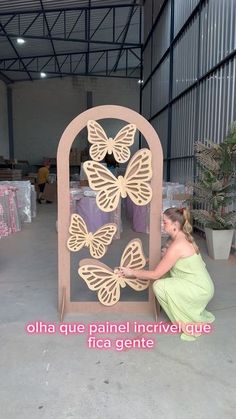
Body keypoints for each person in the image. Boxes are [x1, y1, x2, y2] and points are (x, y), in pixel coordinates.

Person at [119, 207, 215, 341]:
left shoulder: (177, 245)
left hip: (199, 290)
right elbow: (165, 259)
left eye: (165, 222)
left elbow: (155, 275)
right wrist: (141, 262)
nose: (162, 225)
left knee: (159, 285)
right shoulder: (182, 238)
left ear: (175, 225)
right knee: (166, 275)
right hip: (204, 286)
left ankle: (184, 322)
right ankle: (186, 307)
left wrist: (132, 272)